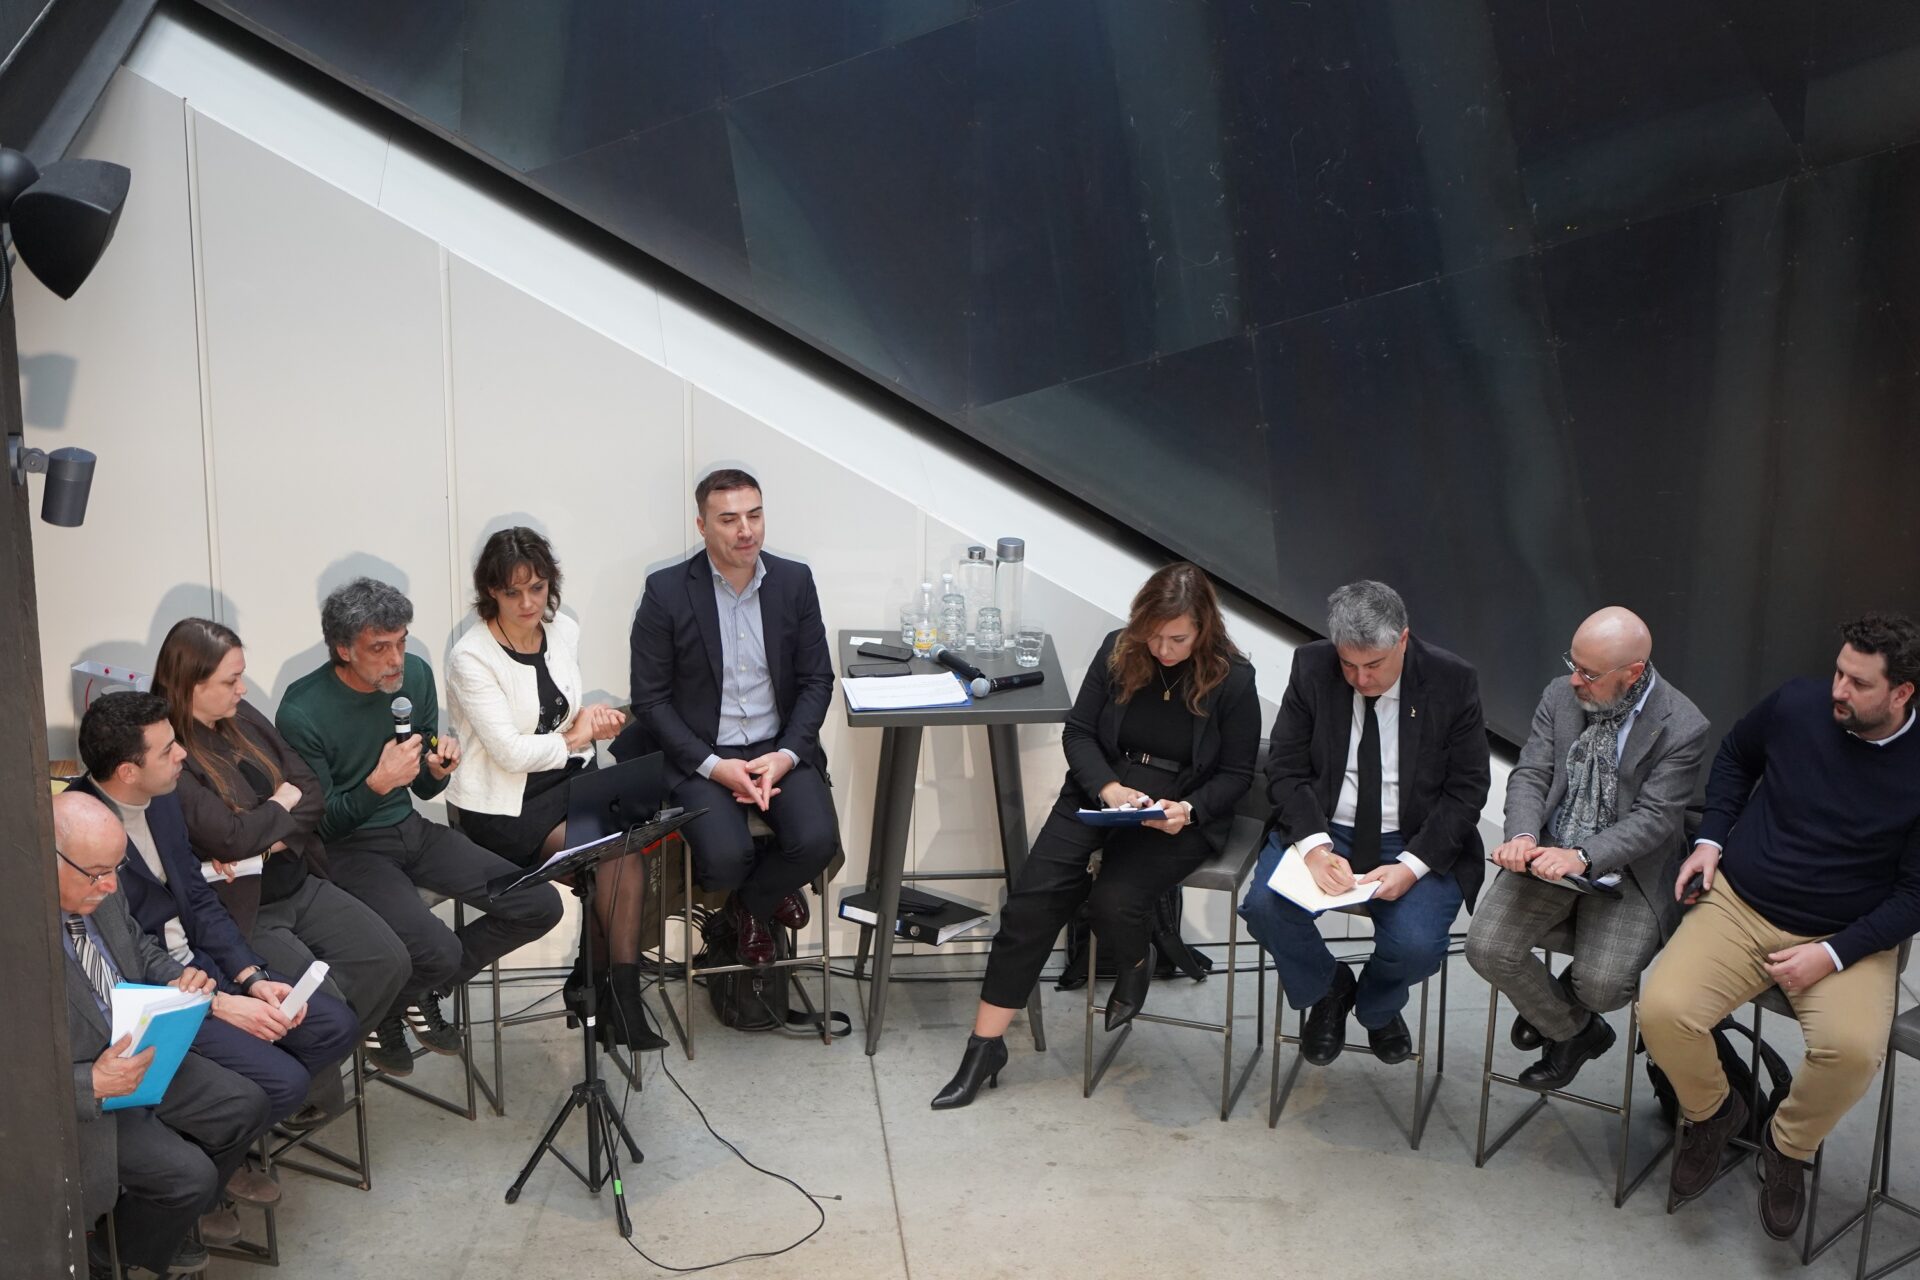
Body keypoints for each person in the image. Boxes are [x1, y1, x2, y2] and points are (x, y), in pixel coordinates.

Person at [931, 563, 1260, 1109]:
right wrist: (1107, 788)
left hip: (1178, 807)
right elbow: (1080, 731)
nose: (1162, 649)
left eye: (1177, 639)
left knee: (1114, 901)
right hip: (1103, 790)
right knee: (1030, 905)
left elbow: (1237, 775)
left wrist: (1188, 810)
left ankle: (1136, 962)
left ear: (1203, 628)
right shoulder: (1119, 649)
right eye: (1153, 635)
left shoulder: (1233, 678)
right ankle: (984, 1048)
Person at [1642, 613, 1920, 1242]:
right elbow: (1736, 757)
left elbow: (1915, 895)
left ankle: (1787, 1144)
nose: (1838, 691)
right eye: (1838, 672)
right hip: (1742, 902)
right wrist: (1711, 838)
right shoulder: (1797, 704)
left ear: (1902, 692)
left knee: (1853, 1053)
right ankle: (1714, 1112)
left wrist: (1833, 954)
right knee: (1662, 1011)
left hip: (1848, 932)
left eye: (1859, 683)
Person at [276, 577, 564, 1074]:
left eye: (402, 642)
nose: (396, 660)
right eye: (379, 648)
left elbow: (426, 789)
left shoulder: (415, 676)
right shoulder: (302, 710)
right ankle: (400, 994)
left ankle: (402, 995)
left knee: (539, 903)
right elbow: (318, 826)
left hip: (409, 828)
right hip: (348, 849)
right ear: (343, 649)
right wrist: (376, 785)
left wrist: (437, 768)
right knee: (437, 948)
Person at [70, 694, 358, 1148]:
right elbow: (125, 958)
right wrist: (219, 1004)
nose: (183, 754)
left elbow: (198, 897)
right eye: (168, 749)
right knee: (284, 1082)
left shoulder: (161, 797)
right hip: (157, 992)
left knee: (334, 1025)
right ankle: (217, 1142)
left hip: (203, 963)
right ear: (128, 771)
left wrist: (250, 976)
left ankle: (227, 1132)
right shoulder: (80, 832)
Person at [1239, 580, 1491, 1066]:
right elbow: (1285, 766)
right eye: (1348, 664)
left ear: (1403, 640)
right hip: (1327, 827)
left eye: (1373, 665)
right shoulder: (1312, 666)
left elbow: (1467, 789)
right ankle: (1329, 987)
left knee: (1417, 945)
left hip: (1413, 836)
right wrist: (1314, 847)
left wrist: (1412, 867)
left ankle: (1377, 1006)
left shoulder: (1450, 680)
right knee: (1265, 909)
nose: (1361, 679)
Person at [1464, 607, 1709, 1090]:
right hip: (1549, 849)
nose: (1575, 680)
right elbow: (1532, 773)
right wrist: (1522, 836)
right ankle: (1575, 1031)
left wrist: (1582, 856)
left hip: (1630, 869)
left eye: (1590, 674)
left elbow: (1654, 819)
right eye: (1573, 664)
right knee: (1486, 949)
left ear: (1633, 673)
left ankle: (1555, 1006)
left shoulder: (1683, 725)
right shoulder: (1560, 694)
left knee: (1604, 987)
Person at [445, 527, 662, 1049]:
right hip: (504, 803)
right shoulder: (470, 657)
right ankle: (614, 998)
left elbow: (563, 715)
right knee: (612, 856)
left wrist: (591, 721)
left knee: (626, 848)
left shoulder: (563, 630)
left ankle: (607, 990)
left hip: (568, 777)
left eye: (537, 588)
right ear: (491, 591)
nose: (528, 603)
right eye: (513, 592)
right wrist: (578, 736)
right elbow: (510, 753)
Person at [153, 618, 411, 1055]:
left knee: (390, 962)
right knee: (323, 1005)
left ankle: (324, 1057)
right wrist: (278, 804)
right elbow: (230, 839)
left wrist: (265, 841)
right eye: (231, 680)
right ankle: (309, 1072)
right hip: (244, 907)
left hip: (297, 877)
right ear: (190, 685)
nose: (243, 689)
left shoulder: (241, 715)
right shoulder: (171, 750)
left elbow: (310, 791)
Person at [619, 468, 838, 965]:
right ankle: (760, 897)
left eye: (754, 515)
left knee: (817, 842)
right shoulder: (665, 591)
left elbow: (816, 681)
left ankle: (746, 910)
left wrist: (786, 755)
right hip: (702, 753)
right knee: (723, 858)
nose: (746, 530)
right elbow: (650, 701)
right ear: (702, 526)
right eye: (729, 519)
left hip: (777, 746)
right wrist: (716, 767)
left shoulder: (794, 581)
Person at [57, 790, 275, 1280]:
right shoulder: (18, 937)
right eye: (96, 873)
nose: (111, 885)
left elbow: (137, 947)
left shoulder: (98, 887)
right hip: (85, 1086)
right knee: (189, 1177)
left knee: (248, 1105)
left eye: (115, 868)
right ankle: (107, 1251)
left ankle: (145, 1229)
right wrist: (89, 1083)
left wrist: (176, 979)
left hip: (141, 1045)